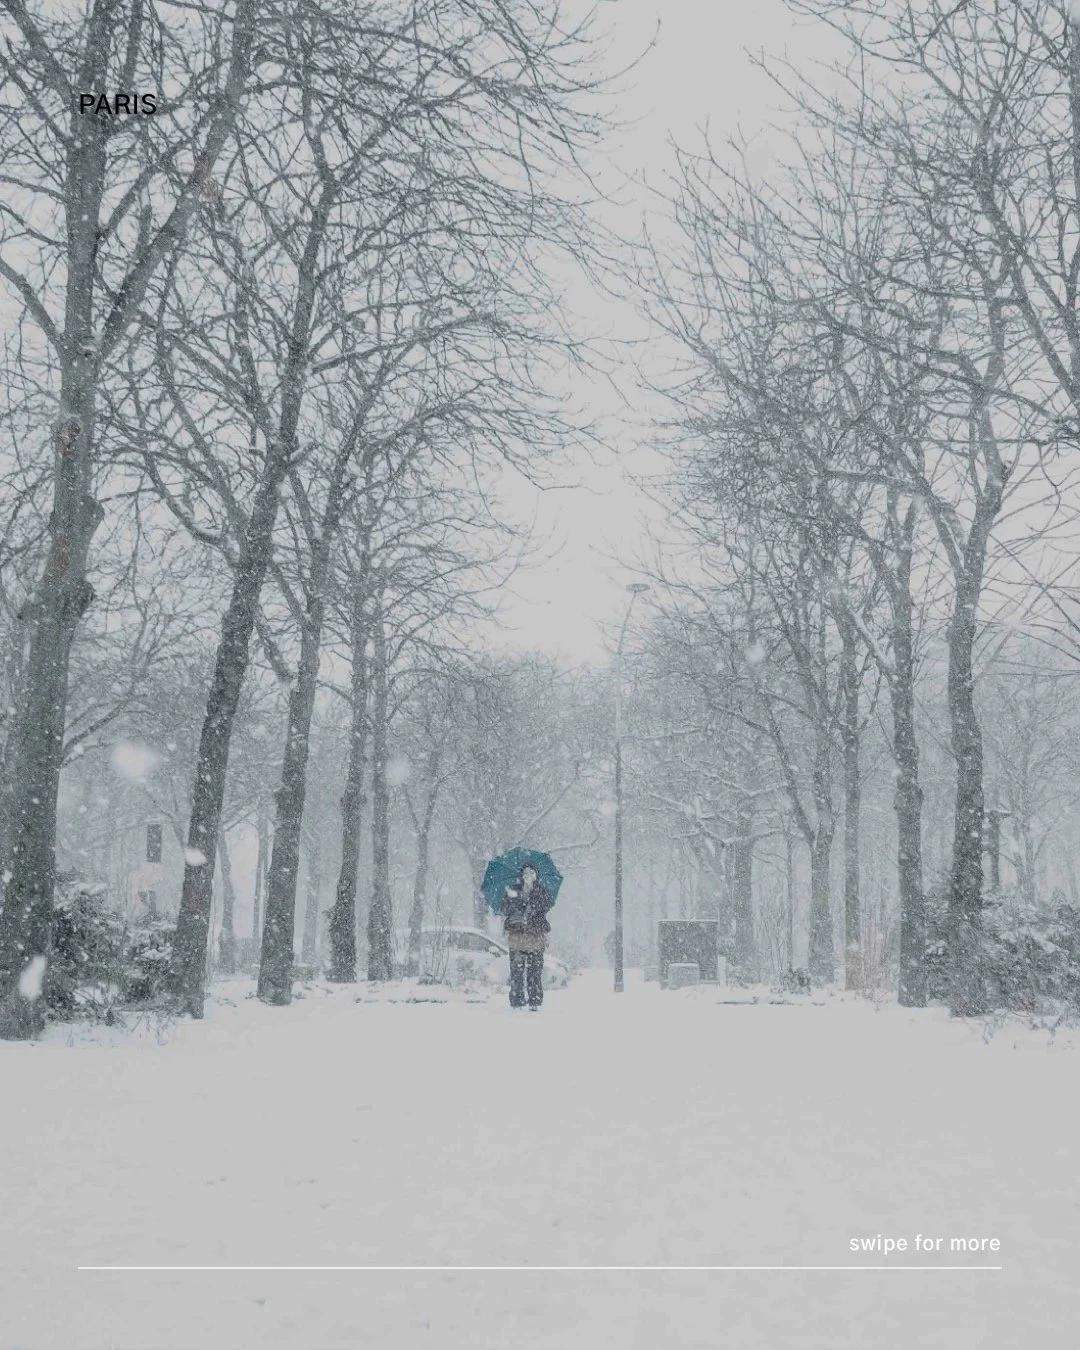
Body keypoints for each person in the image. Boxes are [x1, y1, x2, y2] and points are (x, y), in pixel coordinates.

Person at [502, 863, 553, 1010]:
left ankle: (534, 1001)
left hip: (535, 937)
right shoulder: (513, 891)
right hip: (517, 936)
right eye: (525, 873)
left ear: (536, 876)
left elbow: (544, 908)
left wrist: (530, 904)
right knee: (516, 971)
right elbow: (505, 909)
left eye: (531, 873)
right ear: (521, 875)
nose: (528, 876)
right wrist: (516, 900)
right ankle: (517, 1001)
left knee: (534, 971)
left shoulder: (542, 892)